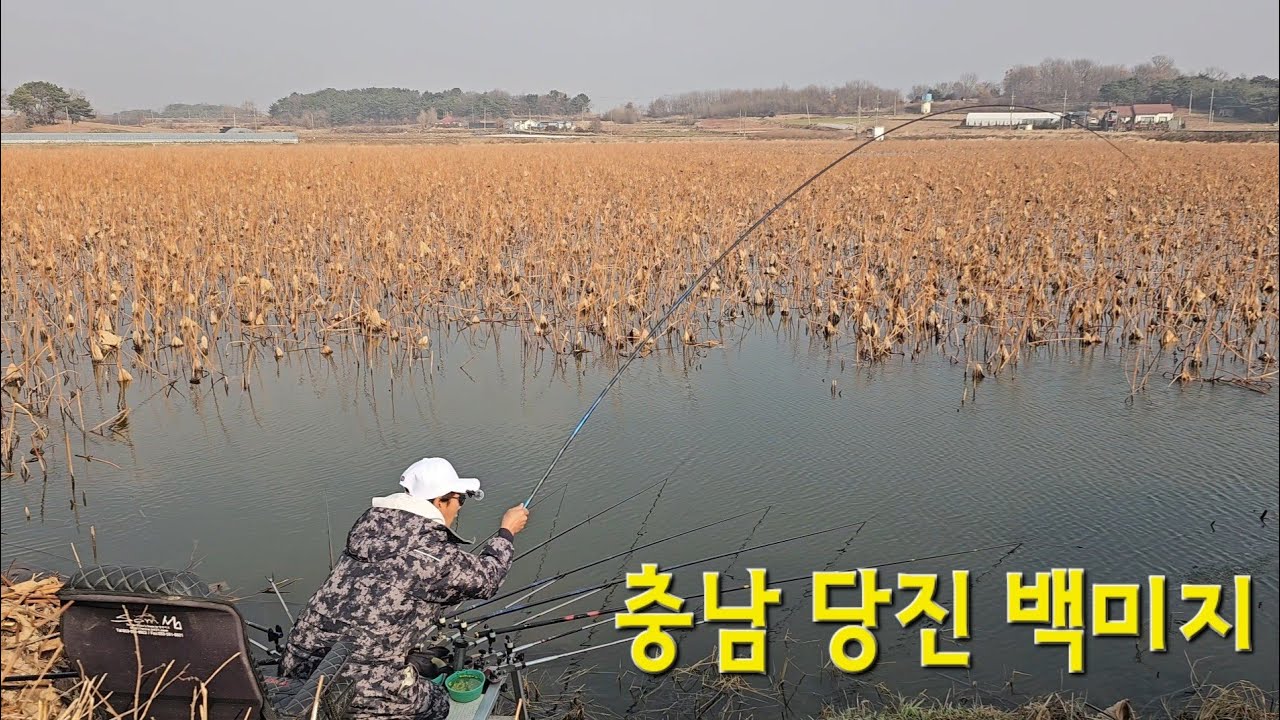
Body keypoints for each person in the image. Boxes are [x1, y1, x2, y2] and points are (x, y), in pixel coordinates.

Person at [278, 457, 529, 719]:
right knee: (439, 704)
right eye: (460, 500)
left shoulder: (368, 535)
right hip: (350, 689)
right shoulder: (432, 557)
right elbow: (487, 579)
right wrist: (506, 532)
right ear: (441, 501)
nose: (459, 508)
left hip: (297, 670)